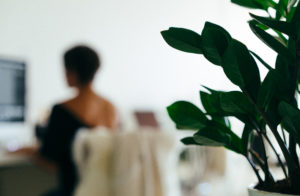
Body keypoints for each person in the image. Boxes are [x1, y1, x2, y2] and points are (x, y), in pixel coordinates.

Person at [12, 45, 118, 196]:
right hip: (104, 190)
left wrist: (27, 151)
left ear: (72, 72)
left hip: (74, 189)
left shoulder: (61, 110)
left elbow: (51, 163)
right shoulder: (110, 108)